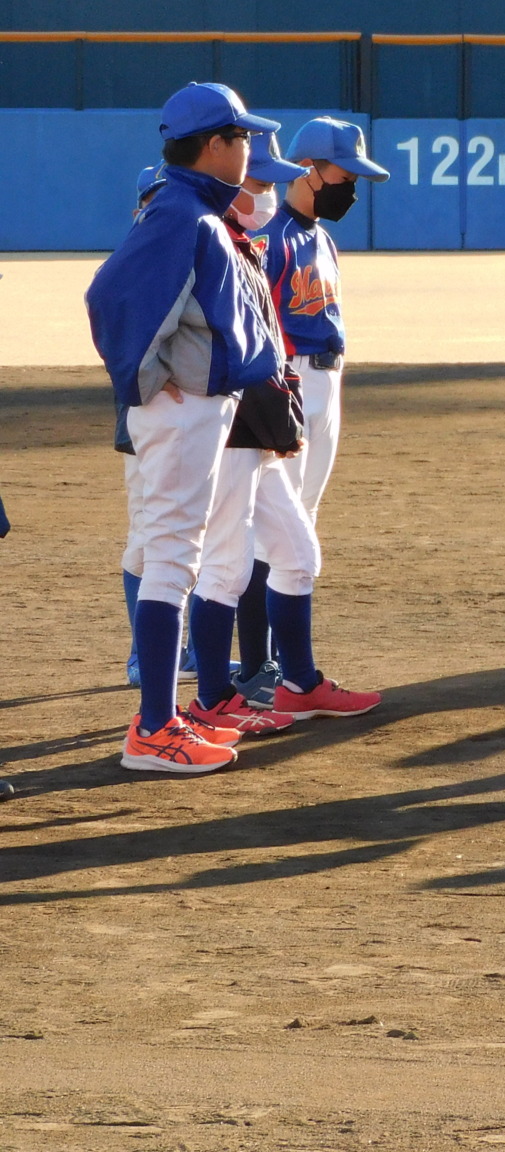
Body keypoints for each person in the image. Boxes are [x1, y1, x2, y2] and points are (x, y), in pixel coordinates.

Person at [86, 83, 284, 773]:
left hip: (204, 405)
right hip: (182, 412)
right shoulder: (180, 210)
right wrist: (141, 378)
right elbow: (108, 296)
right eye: (244, 137)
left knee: (180, 557)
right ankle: (153, 730)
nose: (252, 149)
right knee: (172, 558)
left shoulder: (194, 209)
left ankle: (164, 721)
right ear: (215, 145)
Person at [190, 132, 383, 728]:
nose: (349, 185)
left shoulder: (319, 237)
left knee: (298, 535)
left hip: (322, 377)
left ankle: (291, 677)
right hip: (276, 385)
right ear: (308, 169)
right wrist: (275, 398)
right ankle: (251, 671)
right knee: (246, 543)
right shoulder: (258, 240)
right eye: (341, 173)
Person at [117, 165, 171, 687]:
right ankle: (142, 656)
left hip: (187, 424)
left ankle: (193, 652)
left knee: (188, 538)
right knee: (147, 539)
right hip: (143, 424)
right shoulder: (136, 258)